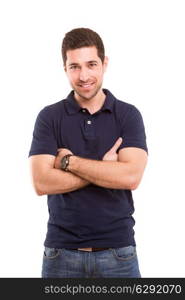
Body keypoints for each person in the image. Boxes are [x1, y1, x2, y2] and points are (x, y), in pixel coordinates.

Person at [29, 28, 148, 278]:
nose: (83, 76)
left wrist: (68, 162)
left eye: (91, 64)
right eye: (74, 66)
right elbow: (41, 182)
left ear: (104, 64)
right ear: (65, 68)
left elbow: (131, 178)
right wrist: (106, 169)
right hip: (60, 254)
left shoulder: (128, 115)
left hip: (119, 253)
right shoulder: (49, 117)